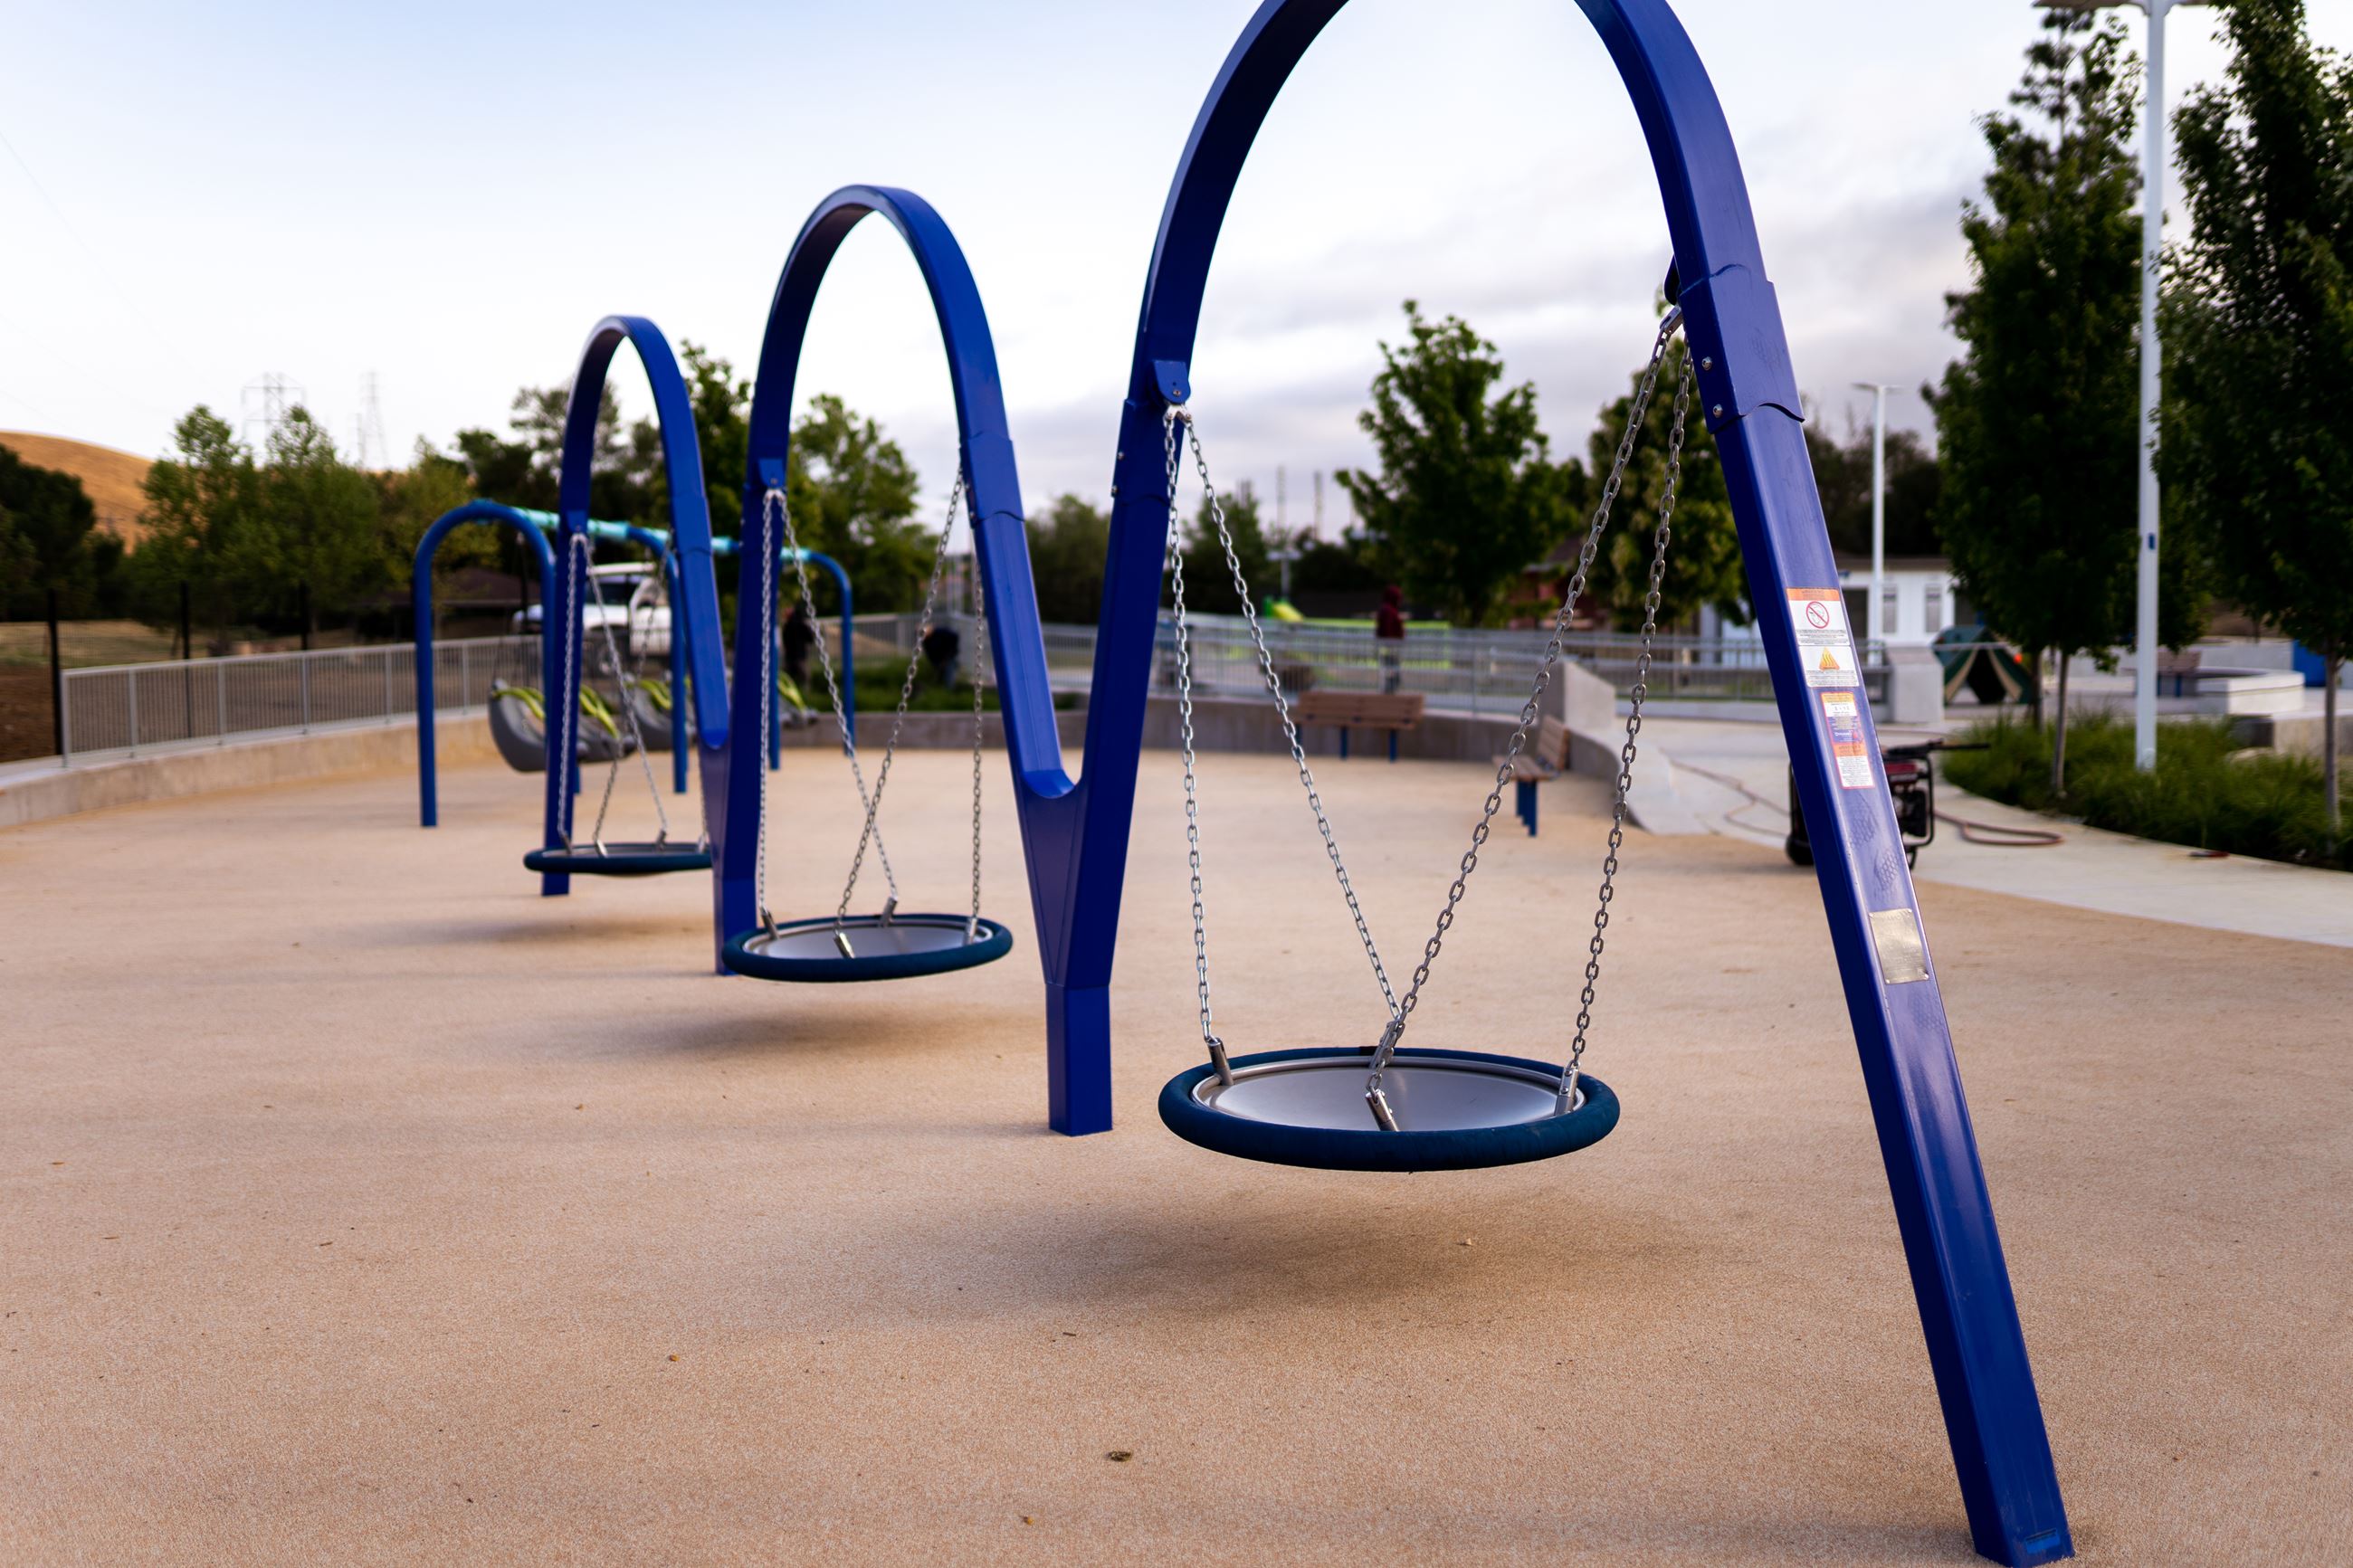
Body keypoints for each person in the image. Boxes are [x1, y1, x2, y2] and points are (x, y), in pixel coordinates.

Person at [1375, 584, 1406, 693]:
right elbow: (1387, 630)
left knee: (1392, 674)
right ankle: (1388, 696)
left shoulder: (1388, 609)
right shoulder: (1388, 610)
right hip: (1389, 649)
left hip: (1390, 648)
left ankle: (1388, 694)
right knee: (1393, 675)